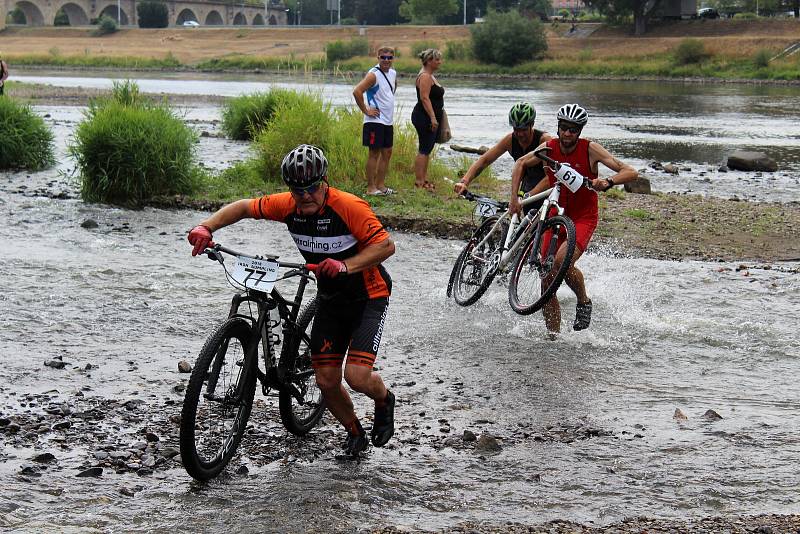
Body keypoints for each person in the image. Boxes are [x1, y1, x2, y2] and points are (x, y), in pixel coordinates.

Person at [187, 144, 397, 457]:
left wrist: (345, 266)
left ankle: (384, 400)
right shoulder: (288, 205)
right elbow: (245, 207)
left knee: (356, 376)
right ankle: (355, 432)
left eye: (313, 188)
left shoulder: (349, 206)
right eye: (298, 190)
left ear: (324, 182)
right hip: (330, 296)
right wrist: (207, 226)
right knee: (326, 380)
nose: (306, 195)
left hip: (368, 295)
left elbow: (385, 246)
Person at [509, 104, 638, 335]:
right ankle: (553, 338)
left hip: (583, 217)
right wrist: (514, 199)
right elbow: (520, 163)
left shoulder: (590, 149)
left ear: (580, 131)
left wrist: (608, 182)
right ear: (558, 127)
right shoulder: (548, 147)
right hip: (555, 215)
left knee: (561, 262)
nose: (568, 134)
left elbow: (630, 171)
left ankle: (583, 301)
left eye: (573, 130)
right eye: (564, 128)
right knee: (546, 276)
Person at [454, 102, 553, 213]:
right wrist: (464, 181)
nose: (519, 134)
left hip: (545, 186)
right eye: (516, 129)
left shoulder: (545, 140)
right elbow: (484, 160)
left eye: (524, 129)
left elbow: (550, 177)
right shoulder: (510, 140)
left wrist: (528, 196)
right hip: (527, 183)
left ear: (532, 124)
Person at [352, 46, 397, 196]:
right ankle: (371, 188)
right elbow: (357, 91)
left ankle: (381, 185)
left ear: (392, 59)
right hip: (374, 121)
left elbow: (390, 92)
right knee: (374, 153)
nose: (386, 60)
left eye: (389, 57)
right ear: (378, 58)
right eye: (383, 57)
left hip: (387, 121)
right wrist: (366, 110)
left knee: (387, 152)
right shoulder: (373, 74)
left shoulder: (393, 73)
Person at [411, 48, 444, 192]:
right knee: (424, 149)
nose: (439, 62)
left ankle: (424, 180)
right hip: (424, 117)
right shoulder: (424, 76)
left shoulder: (430, 75)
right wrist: (432, 118)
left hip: (430, 116)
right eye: (437, 60)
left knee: (427, 148)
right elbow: (424, 98)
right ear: (429, 61)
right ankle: (419, 182)